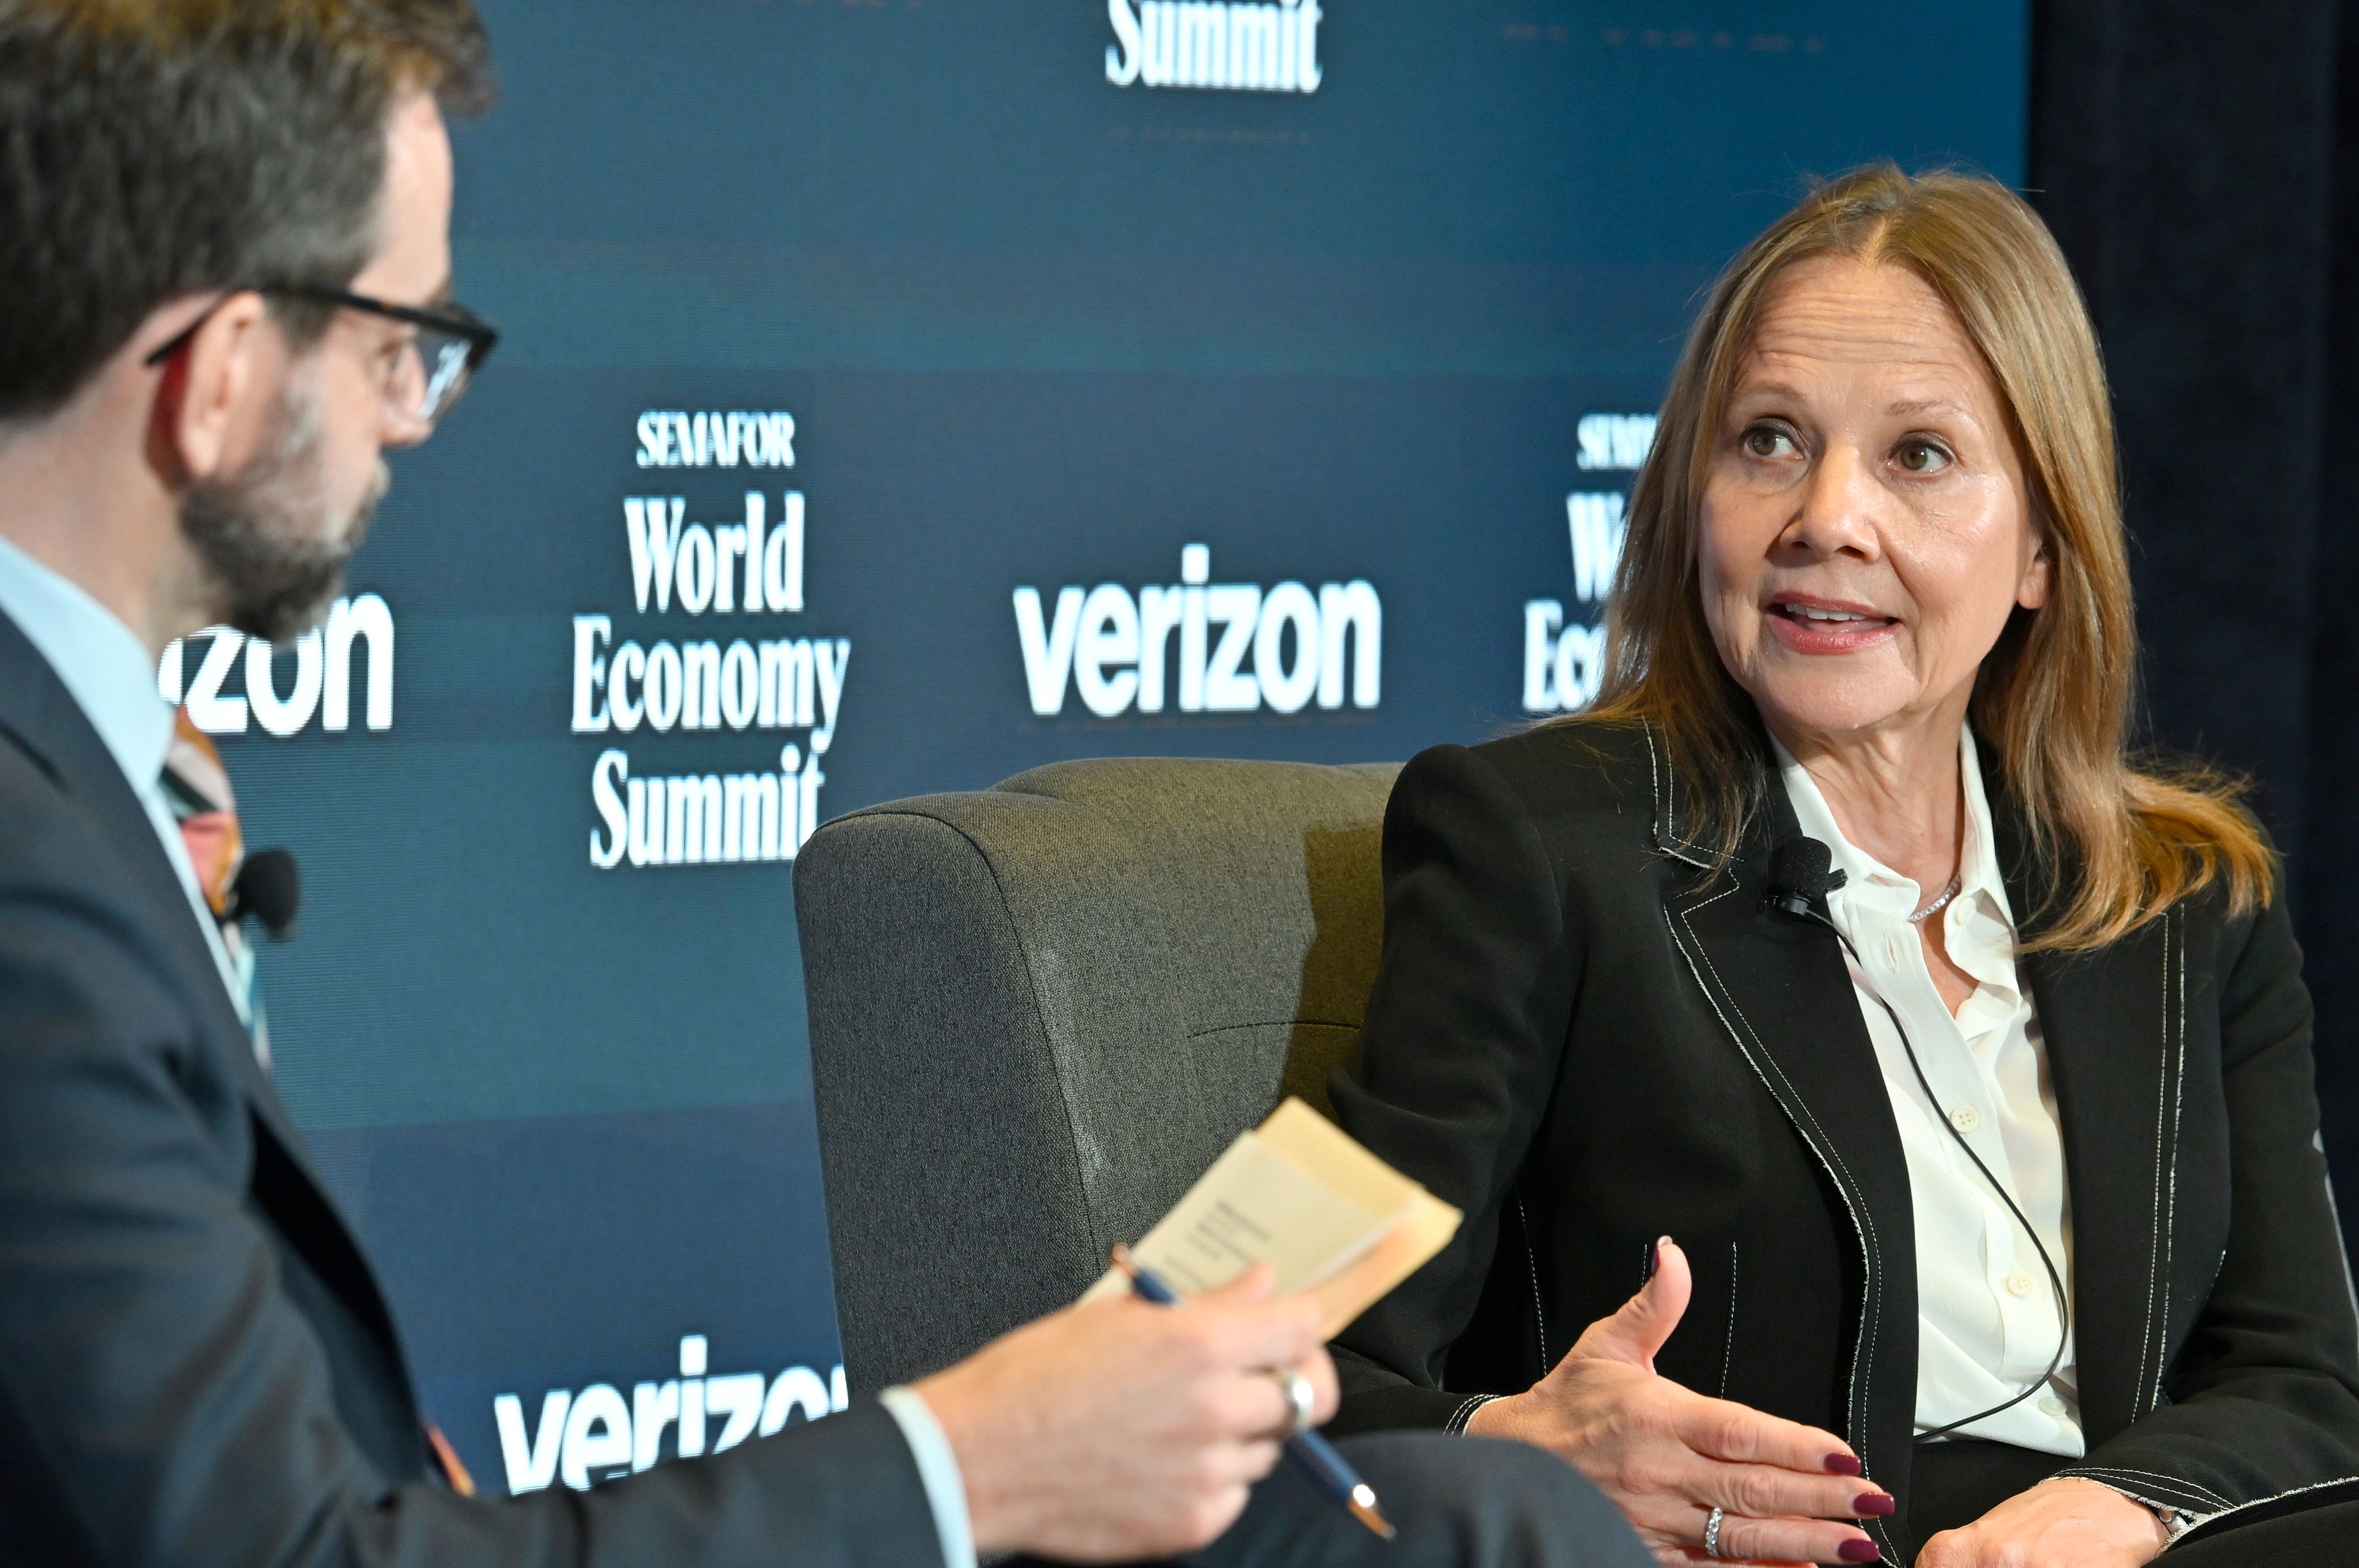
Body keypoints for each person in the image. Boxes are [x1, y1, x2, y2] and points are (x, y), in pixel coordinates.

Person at [0, 6, 1655, 1567]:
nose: (411, 423)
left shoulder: (94, 780)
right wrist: (971, 1455)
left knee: (1481, 1525)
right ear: (218, 371)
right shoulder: (31, 886)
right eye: (398, 343)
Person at [1322, 165, 2359, 1567]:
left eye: (1918, 456)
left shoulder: (2189, 901)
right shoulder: (1531, 846)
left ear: (2045, 543)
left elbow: (2309, 1386)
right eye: (1767, 441)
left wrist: (2125, 1508)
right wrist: (1520, 1447)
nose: (1826, 516)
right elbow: (1254, 1359)